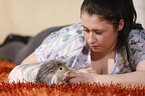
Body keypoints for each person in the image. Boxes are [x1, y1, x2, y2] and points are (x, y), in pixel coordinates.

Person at [1, 0, 145, 85]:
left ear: (120, 25)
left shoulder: (134, 38)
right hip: (48, 37)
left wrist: (91, 78)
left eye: (98, 32)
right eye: (86, 29)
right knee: (18, 52)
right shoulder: (70, 42)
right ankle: (13, 39)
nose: (90, 40)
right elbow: (23, 67)